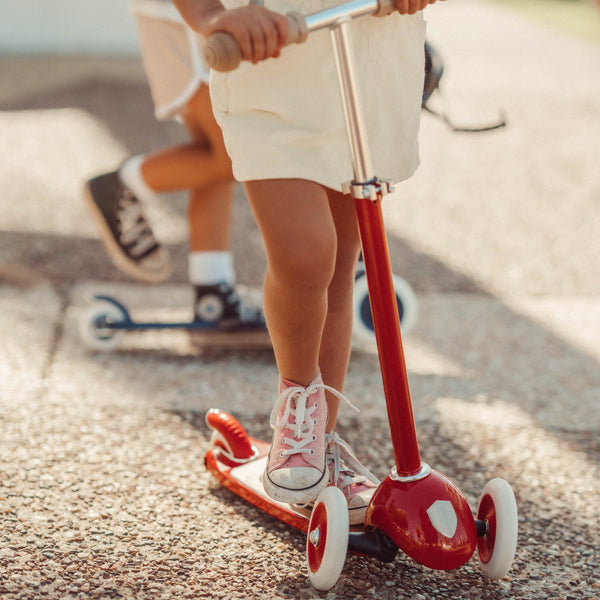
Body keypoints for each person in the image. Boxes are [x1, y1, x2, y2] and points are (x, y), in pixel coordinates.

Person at [172, 0, 442, 524]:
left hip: (360, 67)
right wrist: (208, 15)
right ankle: (297, 416)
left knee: (341, 267)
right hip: (271, 67)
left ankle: (321, 443)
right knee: (304, 257)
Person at [85, 0, 262, 328]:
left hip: (194, 16)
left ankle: (213, 290)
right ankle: (123, 183)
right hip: (186, 16)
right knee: (230, 154)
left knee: (213, 149)